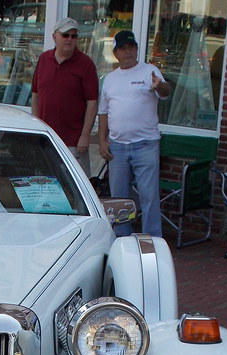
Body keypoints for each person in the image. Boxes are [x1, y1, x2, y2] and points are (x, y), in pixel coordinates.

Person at [97, 30, 170, 238]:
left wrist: (160, 85)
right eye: (123, 48)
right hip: (117, 148)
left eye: (131, 47)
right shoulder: (110, 79)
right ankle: (122, 240)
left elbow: (165, 92)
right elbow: (103, 112)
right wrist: (102, 141)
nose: (128, 52)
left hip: (146, 144)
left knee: (149, 197)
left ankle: (152, 241)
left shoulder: (150, 71)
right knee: (119, 200)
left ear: (137, 49)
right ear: (116, 53)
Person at [30, 17, 98, 175]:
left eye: (74, 36)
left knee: (75, 189)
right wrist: (35, 127)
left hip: (73, 141)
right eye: (65, 35)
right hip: (45, 139)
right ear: (55, 37)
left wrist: (85, 135)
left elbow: (92, 103)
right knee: (45, 183)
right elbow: (35, 95)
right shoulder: (43, 59)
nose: (70, 39)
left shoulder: (86, 64)